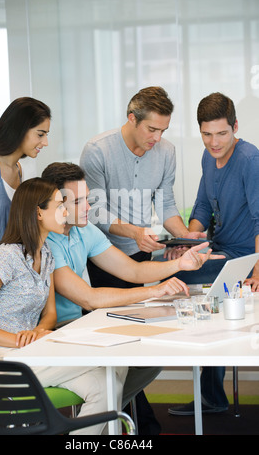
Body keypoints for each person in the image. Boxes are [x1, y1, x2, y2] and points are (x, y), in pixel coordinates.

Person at [41, 162, 221, 433]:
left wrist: (180, 264)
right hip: (57, 332)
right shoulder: (46, 241)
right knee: (116, 367)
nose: (89, 207)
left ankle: (102, 418)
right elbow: (88, 298)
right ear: (56, 204)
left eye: (87, 199)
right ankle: (104, 421)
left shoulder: (83, 229)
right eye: (78, 201)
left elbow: (132, 269)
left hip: (80, 327)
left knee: (153, 355)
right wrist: (155, 290)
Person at [0, 177, 129, 436]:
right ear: (39, 212)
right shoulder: (6, 256)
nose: (66, 212)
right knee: (110, 361)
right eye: (61, 205)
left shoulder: (46, 253)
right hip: (0, 360)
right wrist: (19, 341)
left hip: (32, 352)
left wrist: (39, 332)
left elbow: (49, 315)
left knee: (108, 388)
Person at [167, 92, 259, 417]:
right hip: (218, 251)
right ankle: (211, 395)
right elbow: (204, 205)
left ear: (235, 126)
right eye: (207, 134)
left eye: (222, 133)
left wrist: (258, 270)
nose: (214, 142)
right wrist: (193, 236)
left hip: (244, 258)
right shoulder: (209, 158)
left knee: (177, 275)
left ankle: (210, 395)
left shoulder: (250, 160)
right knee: (175, 267)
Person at [79, 86, 205, 290]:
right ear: (132, 118)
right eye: (152, 129)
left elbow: (165, 203)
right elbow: (94, 211)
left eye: (163, 131)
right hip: (102, 252)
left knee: (138, 312)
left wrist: (184, 237)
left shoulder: (166, 152)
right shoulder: (97, 150)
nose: (157, 138)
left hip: (141, 250)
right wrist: (135, 232)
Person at [0, 96, 51, 267]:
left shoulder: (26, 169)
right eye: (40, 134)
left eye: (46, 135)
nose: (45, 142)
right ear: (20, 129)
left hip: (13, 278)